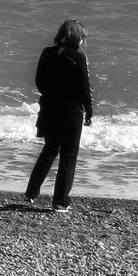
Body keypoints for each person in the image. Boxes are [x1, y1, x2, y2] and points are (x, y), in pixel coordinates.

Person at [25, 19, 93, 213]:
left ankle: (31, 193)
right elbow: (84, 87)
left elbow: (39, 81)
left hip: (48, 109)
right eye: (82, 38)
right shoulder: (78, 56)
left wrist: (51, 96)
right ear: (77, 37)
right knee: (68, 157)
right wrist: (89, 111)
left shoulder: (47, 53)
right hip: (71, 111)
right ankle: (60, 202)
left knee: (49, 150)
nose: (83, 42)